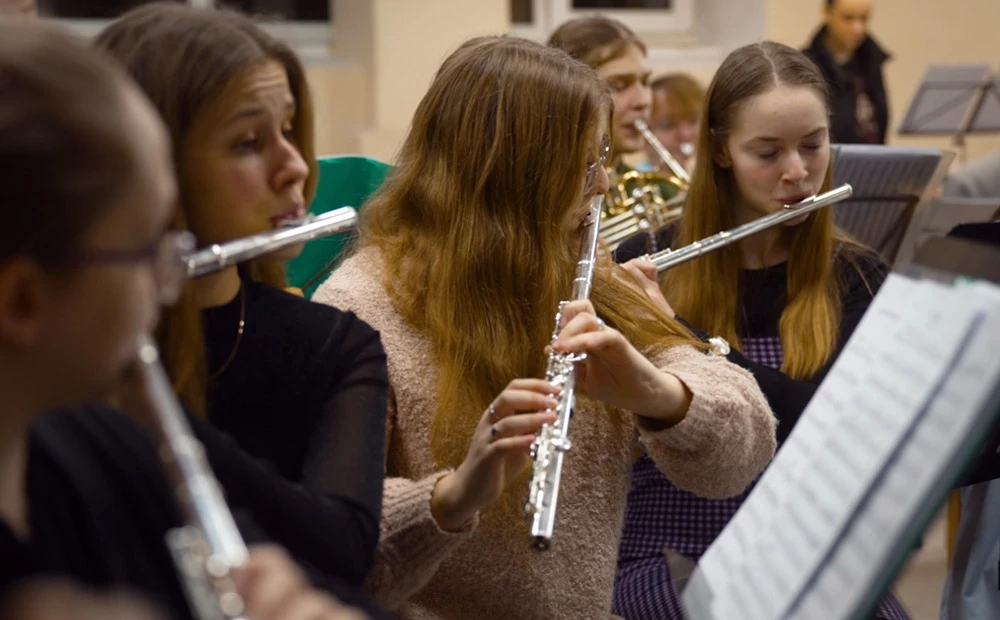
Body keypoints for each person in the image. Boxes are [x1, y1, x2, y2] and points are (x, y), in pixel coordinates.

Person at [311, 35, 777, 618]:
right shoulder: (359, 307)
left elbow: (741, 458)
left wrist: (659, 393)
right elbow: (332, 548)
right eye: (585, 164)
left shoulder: (585, 272)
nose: (604, 186)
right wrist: (453, 497)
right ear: (511, 175)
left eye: (604, 158)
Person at [0, 21, 371, 620]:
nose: (171, 277)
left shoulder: (102, 444)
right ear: (23, 301)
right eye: (151, 247)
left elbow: (333, 575)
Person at [610, 41, 907, 619]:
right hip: (666, 542)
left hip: (804, 546)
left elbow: (821, 430)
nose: (797, 173)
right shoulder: (643, 258)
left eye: (813, 146)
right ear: (720, 150)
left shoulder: (856, 275)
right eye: (767, 152)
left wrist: (682, 335)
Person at [95, 4, 388, 572]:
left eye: (288, 130)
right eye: (249, 142)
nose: (296, 166)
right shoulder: (64, 348)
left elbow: (340, 552)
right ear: (150, 162)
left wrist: (165, 426)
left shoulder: (336, 347)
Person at [549, 15, 685, 234]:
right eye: (619, 86)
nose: (643, 101)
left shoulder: (663, 191)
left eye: (645, 82)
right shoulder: (548, 199)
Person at [803, 0, 890, 144]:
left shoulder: (871, 58)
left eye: (864, 18)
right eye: (848, 18)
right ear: (827, 12)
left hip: (873, 159)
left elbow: (880, 121)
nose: (858, 28)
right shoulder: (807, 65)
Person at [642, 73, 704, 175]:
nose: (685, 134)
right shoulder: (635, 185)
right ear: (644, 138)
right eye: (669, 126)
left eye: (693, 121)